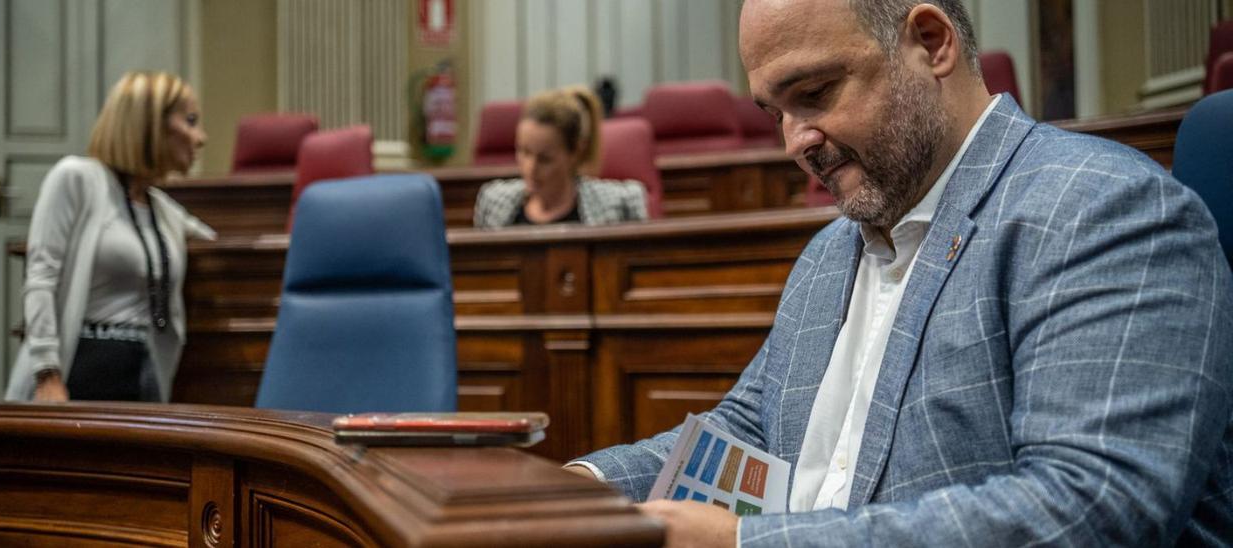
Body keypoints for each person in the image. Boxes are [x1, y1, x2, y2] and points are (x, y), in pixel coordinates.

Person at [567, 0, 1233, 546]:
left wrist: (746, 545)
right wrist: (574, 490)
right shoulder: (829, 252)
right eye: (777, 113)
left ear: (931, 42)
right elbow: (749, 434)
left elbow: (1093, 509)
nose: (795, 142)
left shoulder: (1102, 210)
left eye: (815, 94)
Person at [5, 71, 216, 403]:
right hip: (75, 376)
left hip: (142, 380)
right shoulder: (76, 179)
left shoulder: (162, 209)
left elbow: (217, 244)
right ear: (150, 124)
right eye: (190, 121)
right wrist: (47, 374)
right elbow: (41, 278)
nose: (200, 137)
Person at [473, 85, 647, 228]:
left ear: (576, 152)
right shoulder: (493, 204)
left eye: (545, 159)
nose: (530, 168)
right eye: (524, 152)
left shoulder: (621, 205)